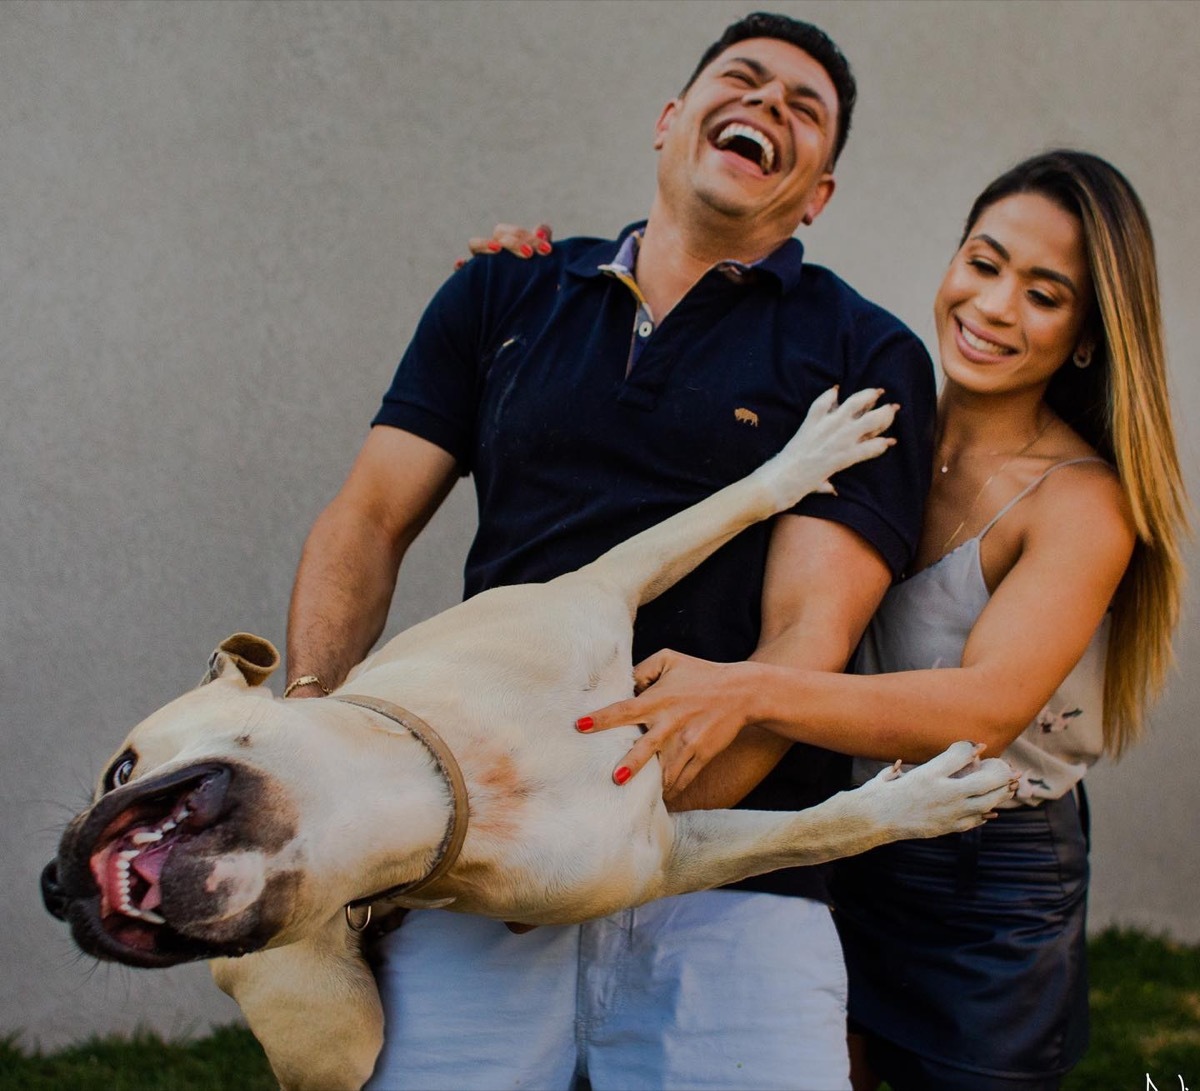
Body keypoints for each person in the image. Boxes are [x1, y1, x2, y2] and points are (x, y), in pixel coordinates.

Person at [285, 12, 938, 1090]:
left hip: (731, 887)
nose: (767, 105)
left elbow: (803, 639)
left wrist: (586, 837)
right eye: (743, 79)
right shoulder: (502, 290)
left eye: (803, 109)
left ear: (817, 194)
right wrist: (310, 729)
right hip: (478, 858)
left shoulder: (864, 350)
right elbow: (368, 516)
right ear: (671, 119)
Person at [574, 150, 1188, 1090]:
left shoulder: (1082, 503)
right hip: (843, 838)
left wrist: (744, 690)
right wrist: (538, 274)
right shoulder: (877, 432)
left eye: (1043, 294)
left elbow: (986, 709)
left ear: (1087, 337)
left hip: (984, 882)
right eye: (983, 263)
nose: (994, 306)